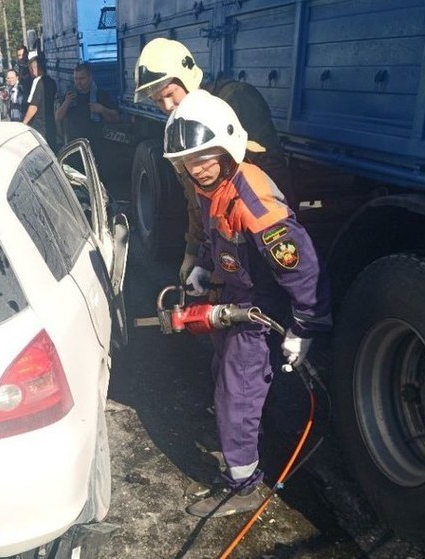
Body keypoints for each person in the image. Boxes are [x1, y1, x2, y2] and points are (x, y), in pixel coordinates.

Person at [163, 89, 331, 517]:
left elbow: (301, 267)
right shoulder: (211, 185)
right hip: (235, 297)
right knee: (237, 379)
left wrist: (306, 326)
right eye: (188, 161)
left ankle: (242, 485)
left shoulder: (254, 201)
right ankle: (277, 438)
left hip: (259, 310)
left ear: (227, 147)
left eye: (205, 158)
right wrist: (204, 266)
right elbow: (214, 234)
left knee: (235, 393)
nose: (196, 169)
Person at [134, 38, 295, 283]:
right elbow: (195, 197)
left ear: (186, 77)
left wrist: (271, 242)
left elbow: (272, 174)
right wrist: (195, 254)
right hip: (227, 246)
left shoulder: (236, 101)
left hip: (259, 236)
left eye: (170, 94)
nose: (167, 106)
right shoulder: (180, 127)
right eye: (158, 100)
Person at [55, 62, 119, 169]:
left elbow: (116, 118)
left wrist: (102, 109)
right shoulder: (70, 96)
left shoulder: (100, 95)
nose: (78, 82)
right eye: (76, 78)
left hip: (95, 150)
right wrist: (66, 103)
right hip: (74, 151)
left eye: (82, 78)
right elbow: (58, 117)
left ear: (90, 77)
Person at [22, 52, 57, 151]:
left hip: (39, 126)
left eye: (30, 69)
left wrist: (24, 123)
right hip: (51, 125)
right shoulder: (52, 81)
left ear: (34, 69)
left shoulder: (37, 81)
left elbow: (33, 106)